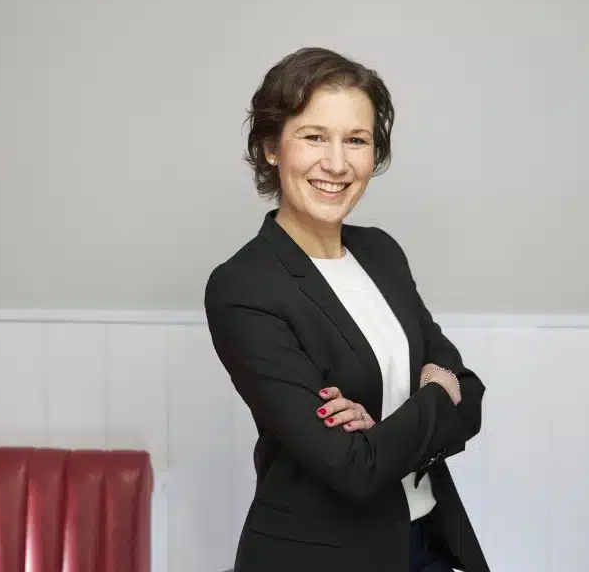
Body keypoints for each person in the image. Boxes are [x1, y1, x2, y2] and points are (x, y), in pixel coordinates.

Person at [204, 47, 489, 572]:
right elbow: (352, 468)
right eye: (314, 136)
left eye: (356, 140)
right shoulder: (243, 287)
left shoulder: (381, 252)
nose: (337, 164)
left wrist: (383, 427)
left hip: (428, 540)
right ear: (271, 148)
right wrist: (433, 393)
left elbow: (469, 395)